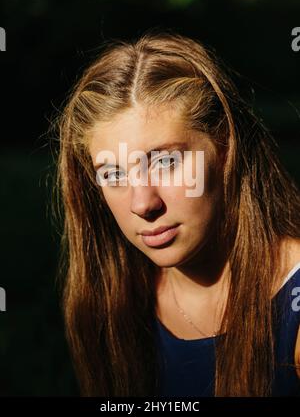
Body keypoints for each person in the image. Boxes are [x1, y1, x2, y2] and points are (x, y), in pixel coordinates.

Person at [52, 31, 300, 397]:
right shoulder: (116, 299)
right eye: (113, 174)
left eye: (166, 162)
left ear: (225, 149)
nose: (142, 203)